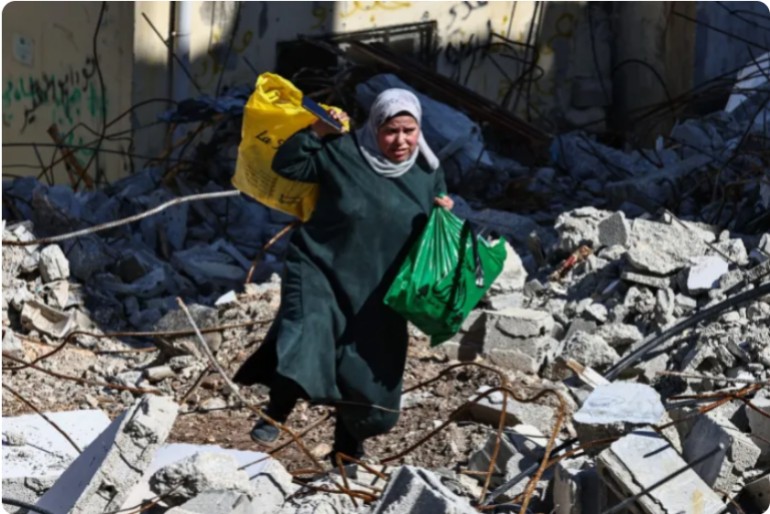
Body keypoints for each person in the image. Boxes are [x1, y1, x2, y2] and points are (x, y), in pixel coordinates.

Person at [234, 88, 453, 465]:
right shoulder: (343, 151)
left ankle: (347, 447)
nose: (401, 141)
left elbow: (435, 217)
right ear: (375, 127)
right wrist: (316, 132)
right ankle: (277, 410)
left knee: (367, 367)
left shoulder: (427, 171)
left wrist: (444, 212)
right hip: (322, 267)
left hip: (382, 287)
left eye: (409, 131)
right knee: (308, 335)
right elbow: (288, 166)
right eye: (391, 131)